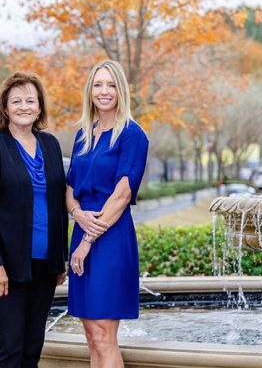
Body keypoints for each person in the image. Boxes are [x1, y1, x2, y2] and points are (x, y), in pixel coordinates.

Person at [0, 72, 68, 368]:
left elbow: (58, 205)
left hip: (45, 266)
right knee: (9, 347)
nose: (24, 106)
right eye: (16, 101)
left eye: (30, 100)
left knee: (32, 347)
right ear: (5, 107)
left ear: (39, 107)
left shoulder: (50, 144)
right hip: (6, 267)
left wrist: (59, 258)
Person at [66, 60, 149, 367]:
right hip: (83, 230)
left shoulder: (132, 135)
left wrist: (88, 238)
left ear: (121, 91)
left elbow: (122, 194)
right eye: (98, 84)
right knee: (90, 334)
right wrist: (76, 211)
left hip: (109, 238)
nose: (104, 91)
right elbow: (69, 186)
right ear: (90, 90)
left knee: (104, 335)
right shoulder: (83, 135)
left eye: (111, 85)